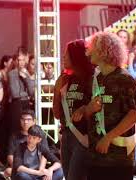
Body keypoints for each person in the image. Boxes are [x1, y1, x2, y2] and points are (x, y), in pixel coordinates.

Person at [84, 31, 136, 180]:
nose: (89, 51)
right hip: (96, 156)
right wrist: (88, 110)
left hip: (118, 157)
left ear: (104, 51)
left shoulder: (124, 78)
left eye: (93, 47)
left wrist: (108, 138)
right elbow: (89, 112)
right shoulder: (96, 78)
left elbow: (133, 115)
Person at [53, 39, 95, 180]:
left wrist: (85, 109)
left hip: (83, 137)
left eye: (67, 55)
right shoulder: (66, 79)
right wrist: (57, 90)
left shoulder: (92, 78)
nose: (63, 58)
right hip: (66, 136)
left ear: (76, 56)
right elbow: (57, 114)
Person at [4, 109, 49, 178]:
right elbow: (10, 156)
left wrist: (41, 170)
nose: (25, 122)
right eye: (23, 119)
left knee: (58, 172)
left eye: (28, 119)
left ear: (34, 121)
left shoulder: (40, 135)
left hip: (37, 169)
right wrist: (23, 169)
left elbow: (45, 155)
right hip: (22, 169)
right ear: (20, 121)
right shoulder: (14, 136)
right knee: (9, 171)